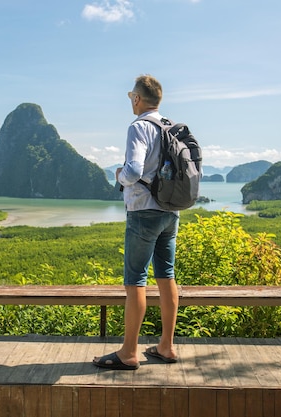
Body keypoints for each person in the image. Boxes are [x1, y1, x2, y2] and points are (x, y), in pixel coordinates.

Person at [93, 74, 180, 370]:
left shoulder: (139, 127)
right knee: (166, 276)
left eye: (132, 96)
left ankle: (129, 352)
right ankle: (166, 346)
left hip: (143, 212)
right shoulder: (170, 127)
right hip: (170, 211)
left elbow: (133, 169)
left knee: (135, 281)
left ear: (137, 99)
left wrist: (119, 175)